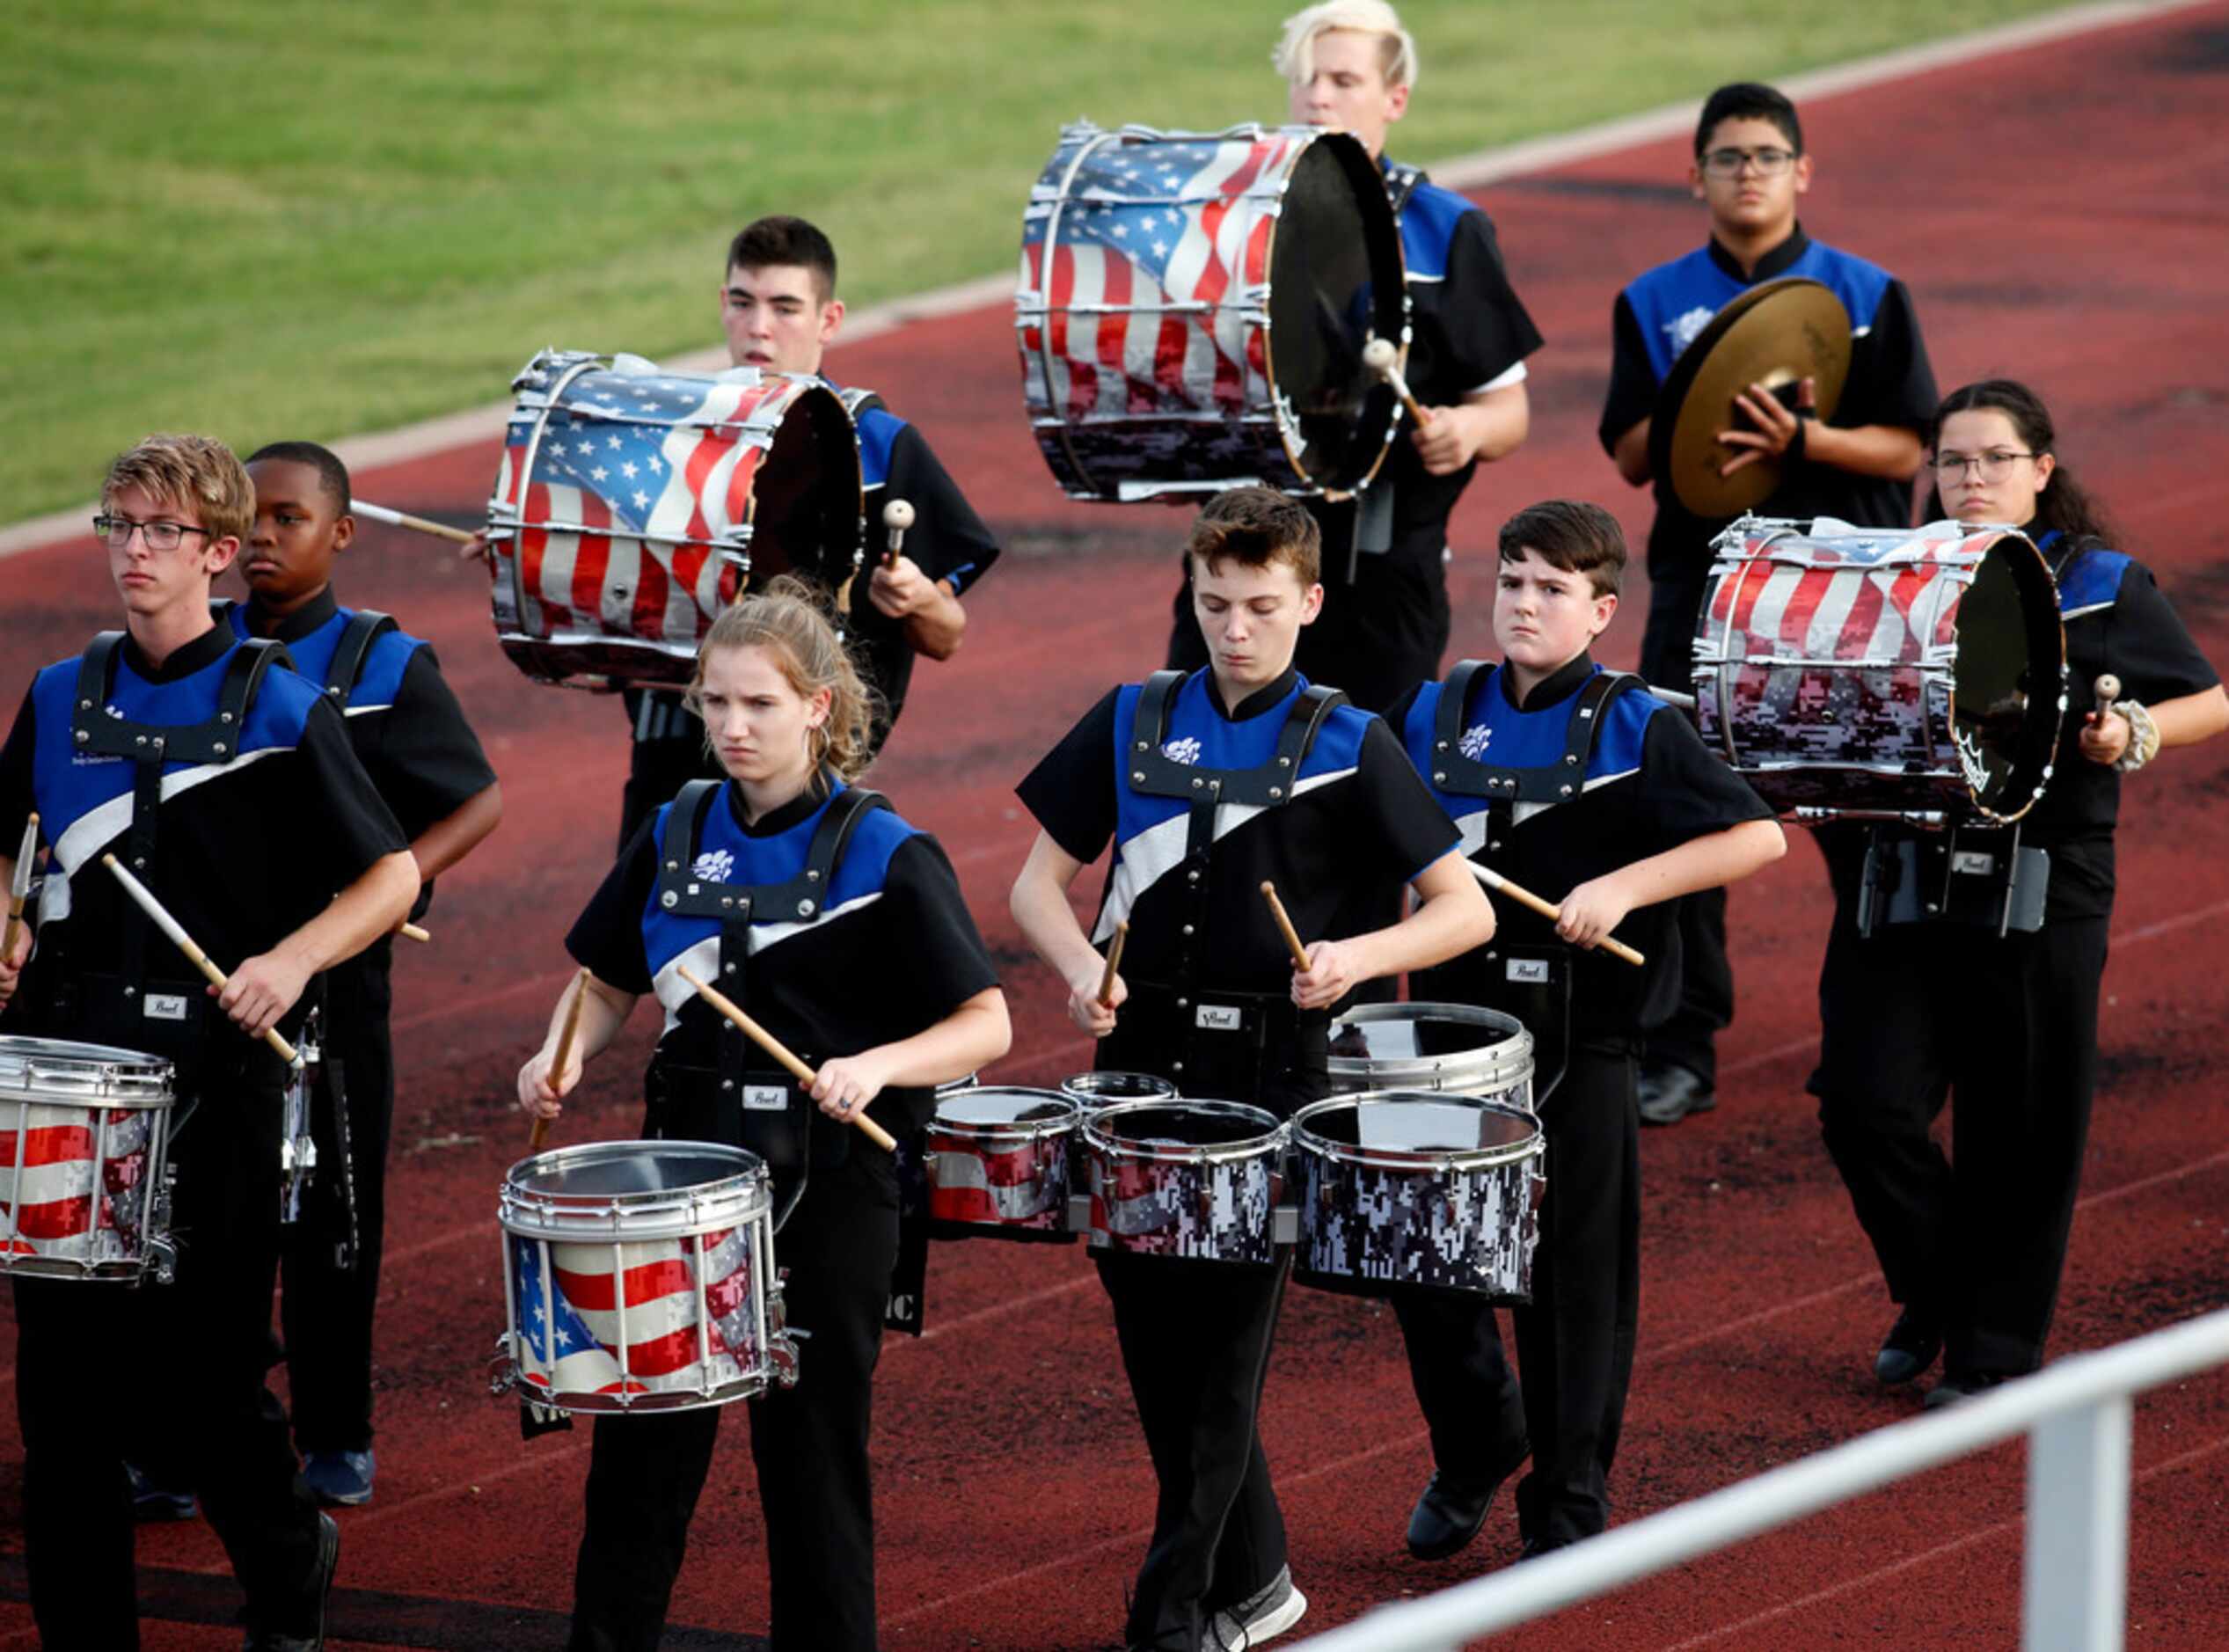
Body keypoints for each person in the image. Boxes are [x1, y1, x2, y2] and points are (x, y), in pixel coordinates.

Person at [1011, 486, 1495, 1649]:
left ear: (1310, 602)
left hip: (1274, 1081)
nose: (1234, 628)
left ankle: (1170, 1609)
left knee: (1224, 1355)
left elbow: (1460, 908)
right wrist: (1082, 966)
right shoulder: (1132, 716)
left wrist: (1356, 956)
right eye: (1214, 602)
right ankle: (1260, 1573)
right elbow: (1034, 884)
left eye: (1261, 606)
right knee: (1152, 1334)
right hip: (1134, 1068)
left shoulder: (1348, 739)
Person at [515, 577, 1011, 1652]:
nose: (731, 729)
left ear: (819, 709)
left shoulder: (884, 851)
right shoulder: (675, 827)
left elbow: (985, 1023)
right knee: (640, 1456)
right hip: (678, 1189)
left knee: (811, 1461)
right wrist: (556, 1057)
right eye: (714, 705)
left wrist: (878, 1064)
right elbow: (604, 983)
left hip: (825, 1189)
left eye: (758, 707)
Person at [0, 434, 421, 1648]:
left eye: (160, 531)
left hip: (216, 1084)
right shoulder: (56, 693)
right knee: (63, 1398)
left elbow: (389, 875)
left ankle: (292, 1562)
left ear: (220, 553)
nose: (133, 551)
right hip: (70, 1077)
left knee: (207, 1382)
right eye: (118, 526)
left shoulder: (279, 702)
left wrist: (291, 961)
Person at [1814, 381, 2226, 1407]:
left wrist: (2127, 732)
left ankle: (1992, 1351)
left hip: (2046, 876)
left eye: (1993, 459)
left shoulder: (2097, 584)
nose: (1969, 480)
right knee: (1863, 1105)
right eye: (1951, 462)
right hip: (1898, 864)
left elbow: (2205, 699)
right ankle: (1938, 1289)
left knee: (2021, 1120)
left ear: (2040, 469)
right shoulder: (1888, 575)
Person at [1387, 500, 1783, 1557]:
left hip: (1582, 1039)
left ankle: (1566, 1502)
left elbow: (1754, 838)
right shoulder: (1434, 708)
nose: (1524, 603)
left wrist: (1621, 884)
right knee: (1421, 1262)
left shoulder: (1635, 721)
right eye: (1513, 581)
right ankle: (1477, 1439)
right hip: (1447, 1043)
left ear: (1601, 609)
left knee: (1571, 1288)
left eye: (1552, 589)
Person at [1597, 81, 1939, 1125]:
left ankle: (1892, 1044)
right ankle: (1678, 1045)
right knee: (1678, 820)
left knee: (1869, 814)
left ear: (1801, 171)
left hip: (1842, 598)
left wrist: (1802, 443)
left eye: (1764, 155)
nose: (1746, 172)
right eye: (1726, 156)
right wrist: (1709, 386)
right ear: (1693, 173)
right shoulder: (1652, 299)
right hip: (1702, 595)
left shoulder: (1867, 292)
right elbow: (1625, 456)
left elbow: (1905, 445)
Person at [234, 441, 501, 1505]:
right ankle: (190, 1428)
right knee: (205, 1214)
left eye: (287, 518)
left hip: (338, 982)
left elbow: (474, 801)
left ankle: (335, 1432)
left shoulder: (384, 663)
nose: (261, 536)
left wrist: (394, 887)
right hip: (216, 983)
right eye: (247, 518)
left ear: (340, 534)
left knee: (332, 1216)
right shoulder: (195, 652)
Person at [1164, 0, 1540, 716]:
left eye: (1343, 79)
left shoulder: (1444, 228)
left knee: (1367, 790)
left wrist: (1467, 430)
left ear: (1394, 98)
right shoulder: (1223, 226)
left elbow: (1508, 409)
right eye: (1307, 79)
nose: (1319, 95)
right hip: (1238, 564)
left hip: (1384, 569)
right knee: (1197, 778)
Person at [611, 216, 1000, 847]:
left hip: (807, 769)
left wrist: (921, 599)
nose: (759, 328)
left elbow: (946, 635)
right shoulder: (673, 434)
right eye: (743, 303)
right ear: (723, 305)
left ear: (830, 319)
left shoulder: (877, 447)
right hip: (672, 747)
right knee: (644, 940)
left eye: (785, 307)